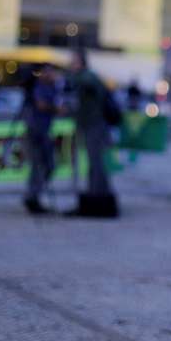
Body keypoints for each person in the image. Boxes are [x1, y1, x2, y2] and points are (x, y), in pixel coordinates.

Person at [66, 49, 121, 217]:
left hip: (95, 126)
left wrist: (69, 77)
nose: (71, 65)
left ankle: (98, 198)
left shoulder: (88, 76)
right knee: (94, 164)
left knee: (97, 164)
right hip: (90, 125)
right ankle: (94, 195)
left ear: (81, 62)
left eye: (74, 61)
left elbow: (83, 82)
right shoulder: (85, 78)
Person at [23, 64, 61, 214]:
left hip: (45, 132)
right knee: (38, 166)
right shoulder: (39, 87)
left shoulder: (52, 88)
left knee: (48, 165)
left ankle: (34, 195)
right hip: (35, 132)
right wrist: (56, 108)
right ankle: (32, 197)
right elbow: (41, 105)